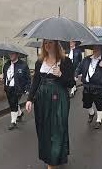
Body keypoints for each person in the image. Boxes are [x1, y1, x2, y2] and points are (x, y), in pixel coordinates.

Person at [25, 40, 74, 169]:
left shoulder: (66, 62)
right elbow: (35, 81)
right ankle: (49, 156)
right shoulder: (39, 62)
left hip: (60, 99)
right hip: (42, 100)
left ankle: (54, 158)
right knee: (44, 128)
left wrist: (61, 75)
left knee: (58, 127)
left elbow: (71, 83)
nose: (47, 45)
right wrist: (30, 99)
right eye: (45, 43)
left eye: (51, 42)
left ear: (57, 44)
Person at [76, 45, 102, 129]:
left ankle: (98, 121)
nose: (96, 51)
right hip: (87, 85)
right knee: (86, 103)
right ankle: (91, 113)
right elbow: (79, 67)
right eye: (94, 49)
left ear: (101, 50)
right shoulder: (87, 59)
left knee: (99, 104)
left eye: (98, 49)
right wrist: (76, 74)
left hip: (98, 86)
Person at [0, 52, 31, 130]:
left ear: (17, 55)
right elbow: (5, 74)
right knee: (12, 102)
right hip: (8, 87)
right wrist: (2, 75)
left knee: (13, 103)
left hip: (18, 88)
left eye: (12, 54)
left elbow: (28, 78)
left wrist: (27, 89)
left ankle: (13, 122)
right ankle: (20, 114)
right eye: (9, 54)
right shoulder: (6, 64)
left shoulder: (23, 65)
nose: (11, 55)